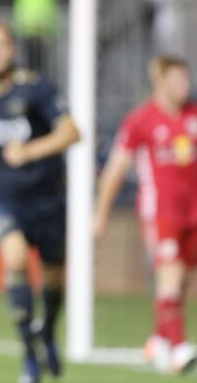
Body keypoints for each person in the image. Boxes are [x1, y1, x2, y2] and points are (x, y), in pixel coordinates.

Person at [0, 16, 80, 383]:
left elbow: (72, 132)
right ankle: (29, 356)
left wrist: (31, 150)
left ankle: (49, 332)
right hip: (5, 198)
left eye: (0, 45)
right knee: (16, 258)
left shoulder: (36, 89)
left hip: (48, 198)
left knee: (54, 277)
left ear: (13, 48)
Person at [94, 56, 197, 374]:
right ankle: (180, 349)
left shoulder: (193, 116)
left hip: (193, 212)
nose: (185, 86)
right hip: (159, 212)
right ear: (160, 82)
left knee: (181, 282)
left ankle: (158, 339)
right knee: (170, 274)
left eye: (186, 79)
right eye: (177, 80)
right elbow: (115, 171)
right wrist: (100, 213)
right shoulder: (141, 121)